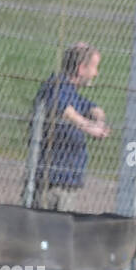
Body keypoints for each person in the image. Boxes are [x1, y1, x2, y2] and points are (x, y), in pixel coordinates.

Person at [29, 42, 110, 211]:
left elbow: (93, 108)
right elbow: (63, 109)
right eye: (94, 67)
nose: (96, 73)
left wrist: (99, 121)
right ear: (81, 69)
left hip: (66, 183)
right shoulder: (56, 86)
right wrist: (88, 127)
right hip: (51, 183)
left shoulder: (71, 92)